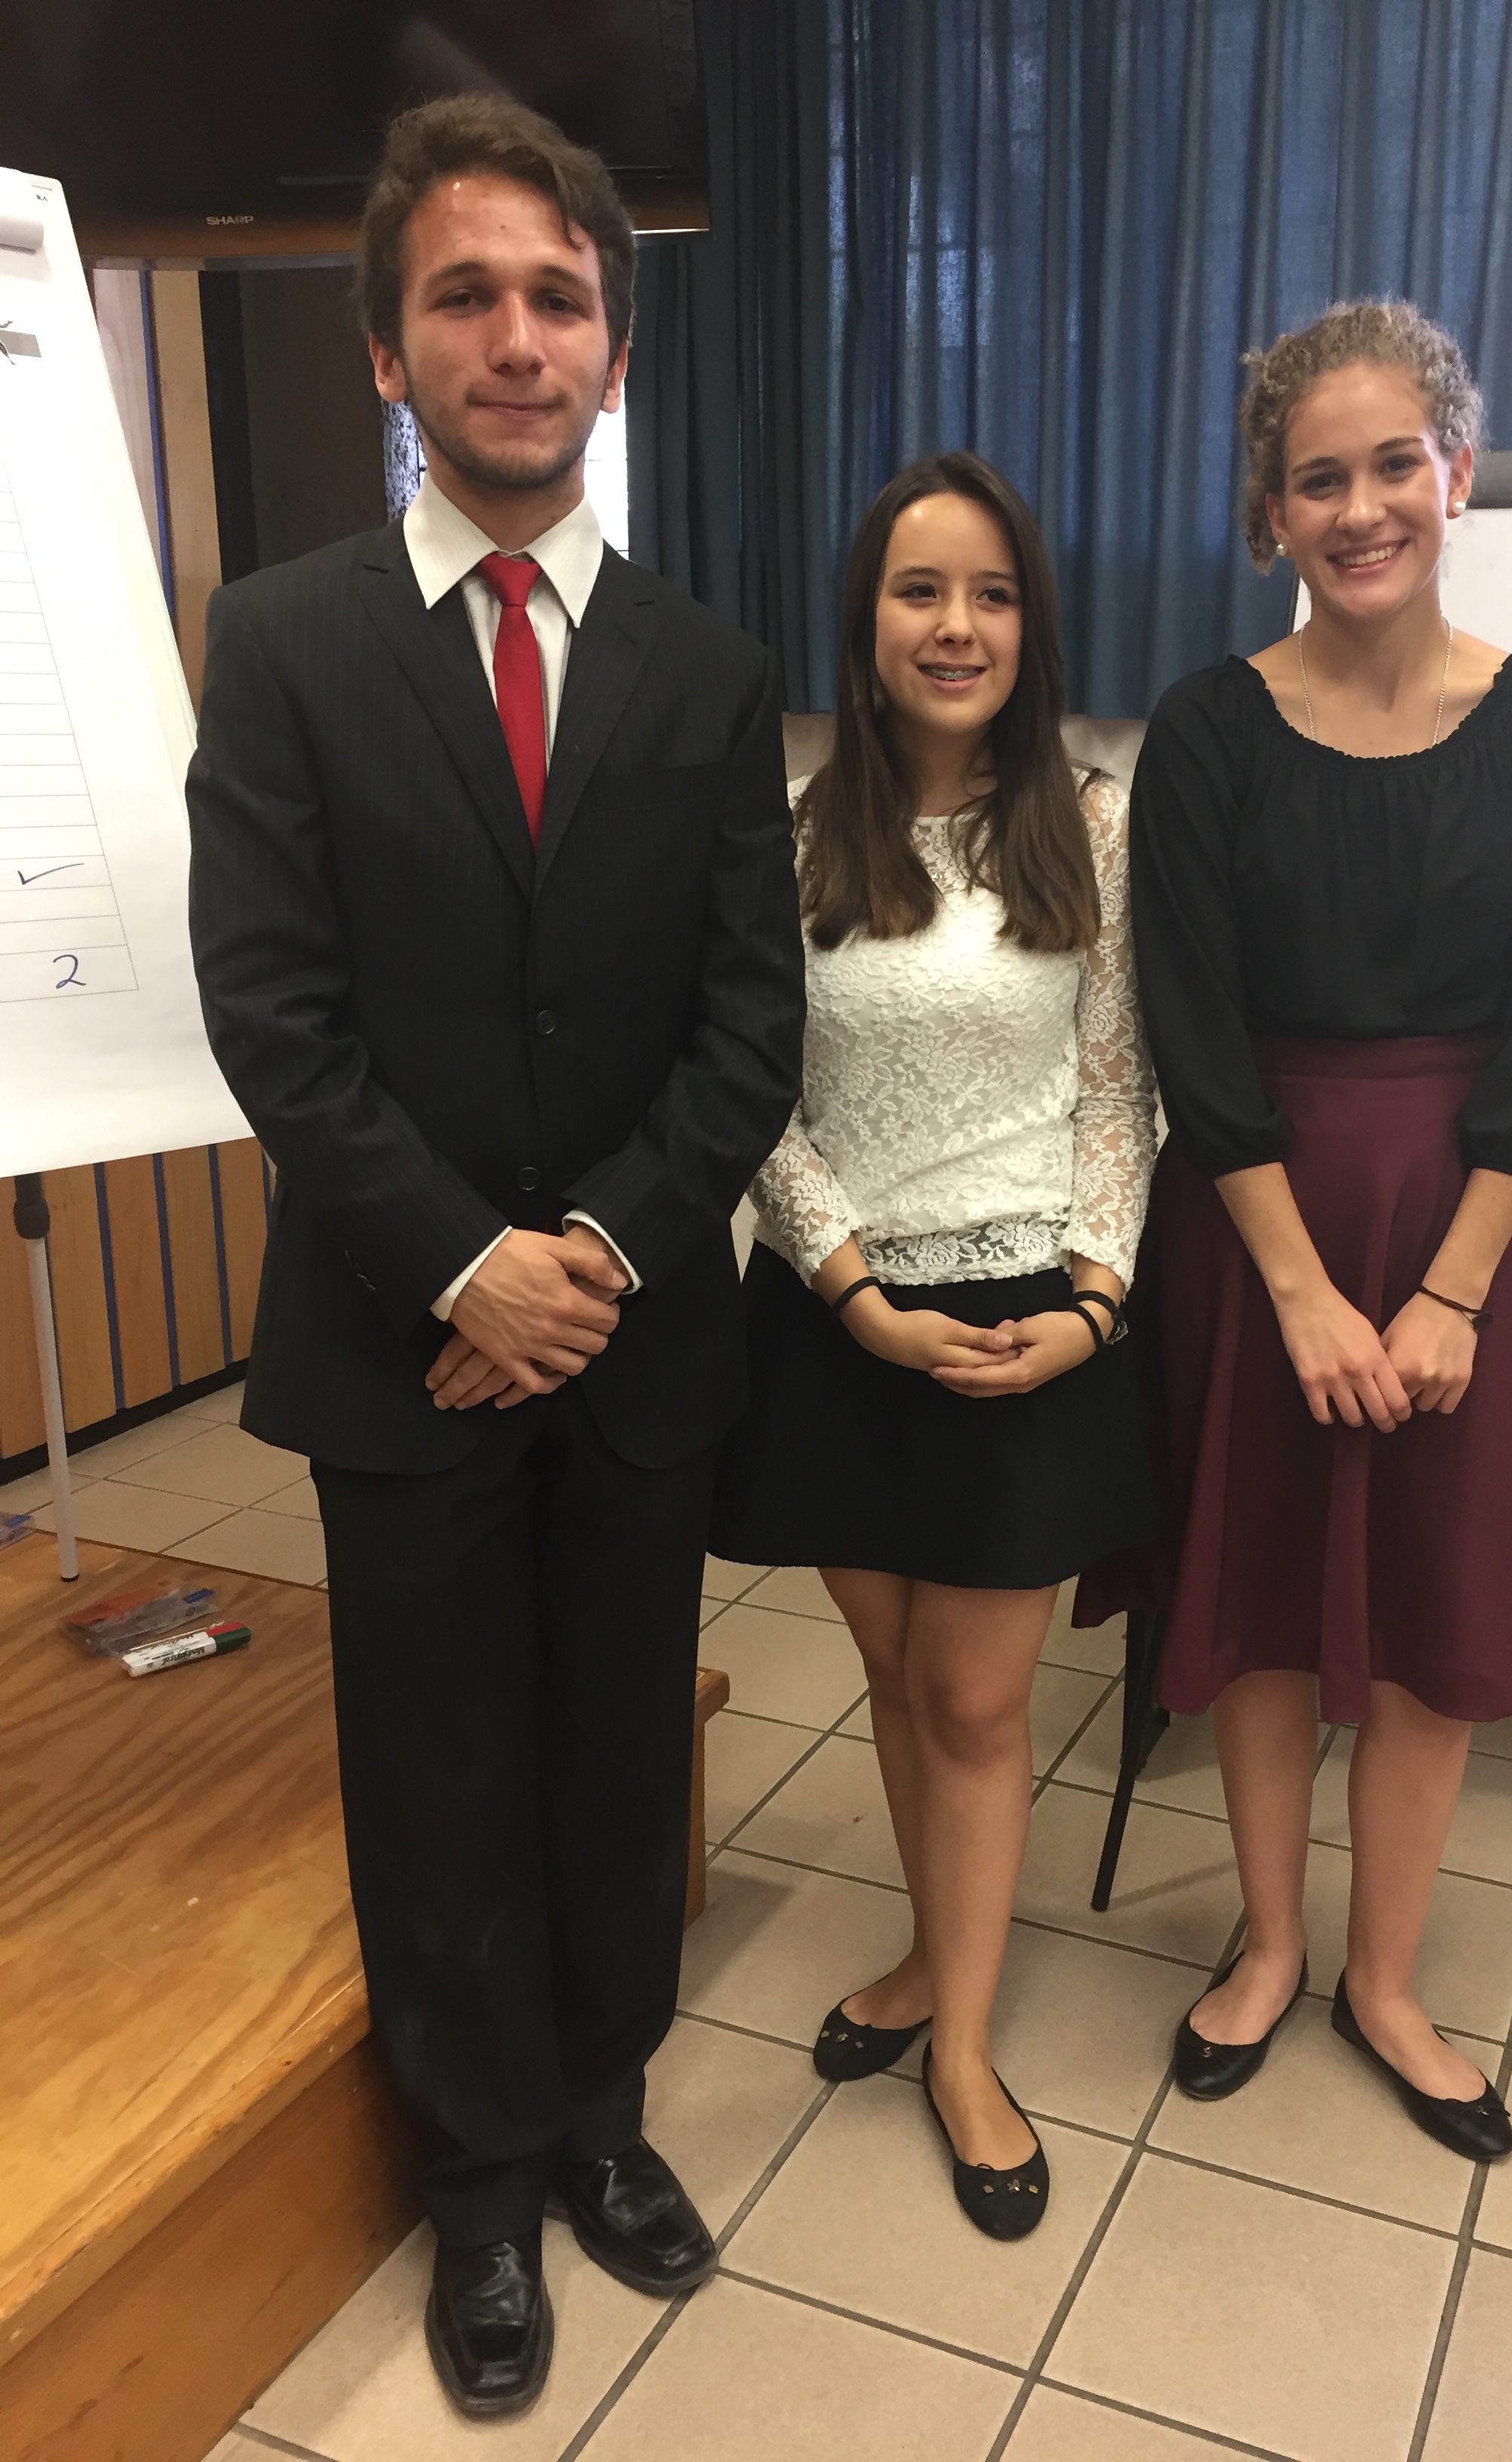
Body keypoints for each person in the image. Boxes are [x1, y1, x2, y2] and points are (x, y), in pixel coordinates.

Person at [187, 97, 805, 2417]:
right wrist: (466, 1268)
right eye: (465, 295)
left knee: (619, 1752)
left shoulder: (709, 672)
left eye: (558, 297)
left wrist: (594, 1260)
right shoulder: (282, 644)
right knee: (437, 1777)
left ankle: (605, 2116)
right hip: (396, 1343)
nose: (516, 337)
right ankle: (480, 2185)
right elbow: (275, 1013)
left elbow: (752, 1028)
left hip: (635, 1348)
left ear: (615, 351)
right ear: (389, 347)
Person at [1077, 301, 1512, 2160]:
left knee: (1433, 1632)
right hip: (1254, 1233)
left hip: (1477, 1243)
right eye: (1315, 479)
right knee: (1256, 1618)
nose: (1359, 509)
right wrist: (1304, 1296)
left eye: (1392, 465)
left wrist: (1446, 1298)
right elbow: (1192, 1035)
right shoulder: (1206, 733)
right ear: (1269, 512)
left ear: (1457, 473)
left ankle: (1386, 1981)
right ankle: (1268, 1947)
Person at [710, 452, 1157, 2238]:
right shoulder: (789, 834)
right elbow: (752, 1089)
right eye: (920, 590)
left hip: (1030, 1320)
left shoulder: (1093, 827)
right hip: (841, 1320)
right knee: (895, 1678)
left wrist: (1095, 1304)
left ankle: (962, 2048)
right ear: (868, 618)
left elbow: (1122, 1091)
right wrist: (854, 1295)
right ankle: (927, 1951)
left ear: (1030, 624)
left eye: (991, 593)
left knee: (976, 1700)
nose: (956, 626)